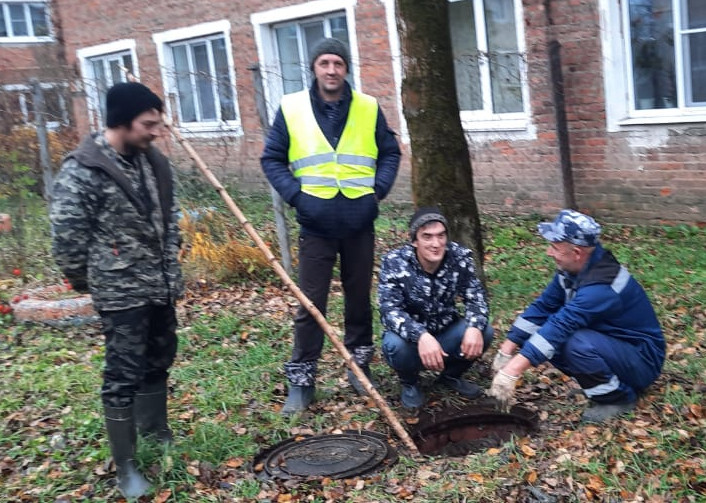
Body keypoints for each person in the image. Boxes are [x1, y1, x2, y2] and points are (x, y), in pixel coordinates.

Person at [50, 82, 183, 498]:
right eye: (148, 124)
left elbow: (171, 215)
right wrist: (95, 281)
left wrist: (172, 254)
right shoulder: (83, 169)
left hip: (159, 287)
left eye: (158, 124)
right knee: (122, 374)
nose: (155, 131)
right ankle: (126, 467)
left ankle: (156, 434)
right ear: (120, 123)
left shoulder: (154, 161)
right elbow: (67, 239)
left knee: (159, 359)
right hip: (120, 294)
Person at [261, 38, 401, 414]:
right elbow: (272, 158)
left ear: (346, 68)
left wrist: (379, 190)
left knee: (358, 300)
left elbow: (390, 152)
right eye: (324, 62)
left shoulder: (369, 107)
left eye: (338, 63)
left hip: (359, 221)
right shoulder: (291, 108)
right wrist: (297, 196)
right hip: (316, 223)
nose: (331, 70)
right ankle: (302, 380)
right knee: (311, 304)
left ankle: (360, 368)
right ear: (314, 67)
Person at [489, 210, 665, 423]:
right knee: (545, 337)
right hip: (615, 347)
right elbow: (543, 307)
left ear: (577, 253)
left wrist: (512, 371)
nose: (548, 252)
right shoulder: (573, 271)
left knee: (572, 341)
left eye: (555, 247)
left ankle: (618, 398)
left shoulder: (601, 286)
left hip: (642, 359)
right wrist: (506, 351)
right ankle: (601, 387)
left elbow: (562, 324)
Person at [378, 207, 492, 409]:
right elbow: (389, 311)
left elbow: (477, 297)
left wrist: (474, 327)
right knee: (395, 345)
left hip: (447, 330)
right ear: (414, 241)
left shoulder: (460, 256)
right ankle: (410, 383)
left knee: (485, 331)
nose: (436, 244)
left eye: (441, 236)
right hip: (410, 341)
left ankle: (451, 375)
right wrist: (421, 335)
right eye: (427, 237)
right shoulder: (394, 262)